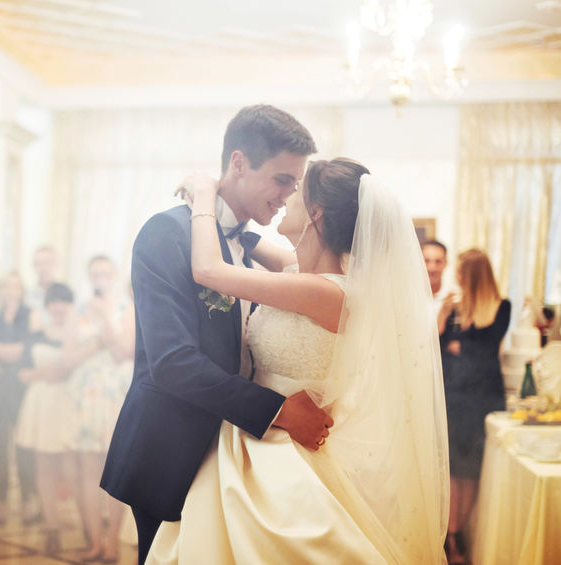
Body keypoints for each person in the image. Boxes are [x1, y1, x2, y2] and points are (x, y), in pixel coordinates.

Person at [146, 159, 449, 564]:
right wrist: (234, 217)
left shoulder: (324, 292)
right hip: (258, 430)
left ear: (317, 213)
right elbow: (248, 245)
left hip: (286, 447)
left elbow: (208, 269)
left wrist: (204, 193)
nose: (288, 196)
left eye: (298, 190)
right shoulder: (301, 274)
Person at [100, 105, 329, 565]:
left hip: (237, 454)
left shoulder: (246, 244)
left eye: (295, 184)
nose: (289, 194)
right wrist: (279, 410)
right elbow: (172, 364)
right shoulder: (168, 234)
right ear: (239, 163)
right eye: (282, 179)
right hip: (173, 449)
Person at [15, 283, 99, 554]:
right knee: (45, 467)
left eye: (64, 302)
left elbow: (85, 365)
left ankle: (90, 529)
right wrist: (44, 374)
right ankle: (51, 528)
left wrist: (61, 370)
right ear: (47, 306)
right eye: (54, 302)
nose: (59, 307)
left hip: (70, 401)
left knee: (73, 469)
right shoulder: (35, 334)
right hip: (41, 402)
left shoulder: (82, 333)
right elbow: (22, 374)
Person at [438, 248, 510, 565]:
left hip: (484, 399)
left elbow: (484, 347)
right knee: (454, 471)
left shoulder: (501, 307)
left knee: (473, 472)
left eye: (461, 272)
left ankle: (460, 532)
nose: (456, 277)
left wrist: (459, 343)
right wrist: (445, 319)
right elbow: (440, 348)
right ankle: (452, 537)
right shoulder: (455, 307)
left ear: (473, 274)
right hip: (456, 396)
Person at [70, 256, 134, 563]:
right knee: (88, 471)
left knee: (114, 470)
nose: (100, 279)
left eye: (105, 274)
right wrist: (95, 343)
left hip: (115, 395)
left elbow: (124, 350)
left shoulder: (126, 307)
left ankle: (113, 543)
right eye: (94, 274)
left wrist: (106, 315)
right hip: (86, 394)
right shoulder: (79, 310)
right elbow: (69, 356)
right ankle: (94, 542)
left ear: (115, 275)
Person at [0, 271, 38, 526]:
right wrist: (10, 352)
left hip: (22, 387)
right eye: (6, 286)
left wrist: (7, 353)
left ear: (21, 290)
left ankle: (30, 499)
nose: (11, 291)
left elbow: (28, 349)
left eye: (15, 286)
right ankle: (0, 502)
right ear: (0, 290)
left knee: (23, 445)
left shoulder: (30, 314)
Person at [423, 239, 452, 318]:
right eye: (427, 261)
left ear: (445, 263)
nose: (432, 268)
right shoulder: (409, 297)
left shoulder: (453, 297)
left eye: (438, 261)